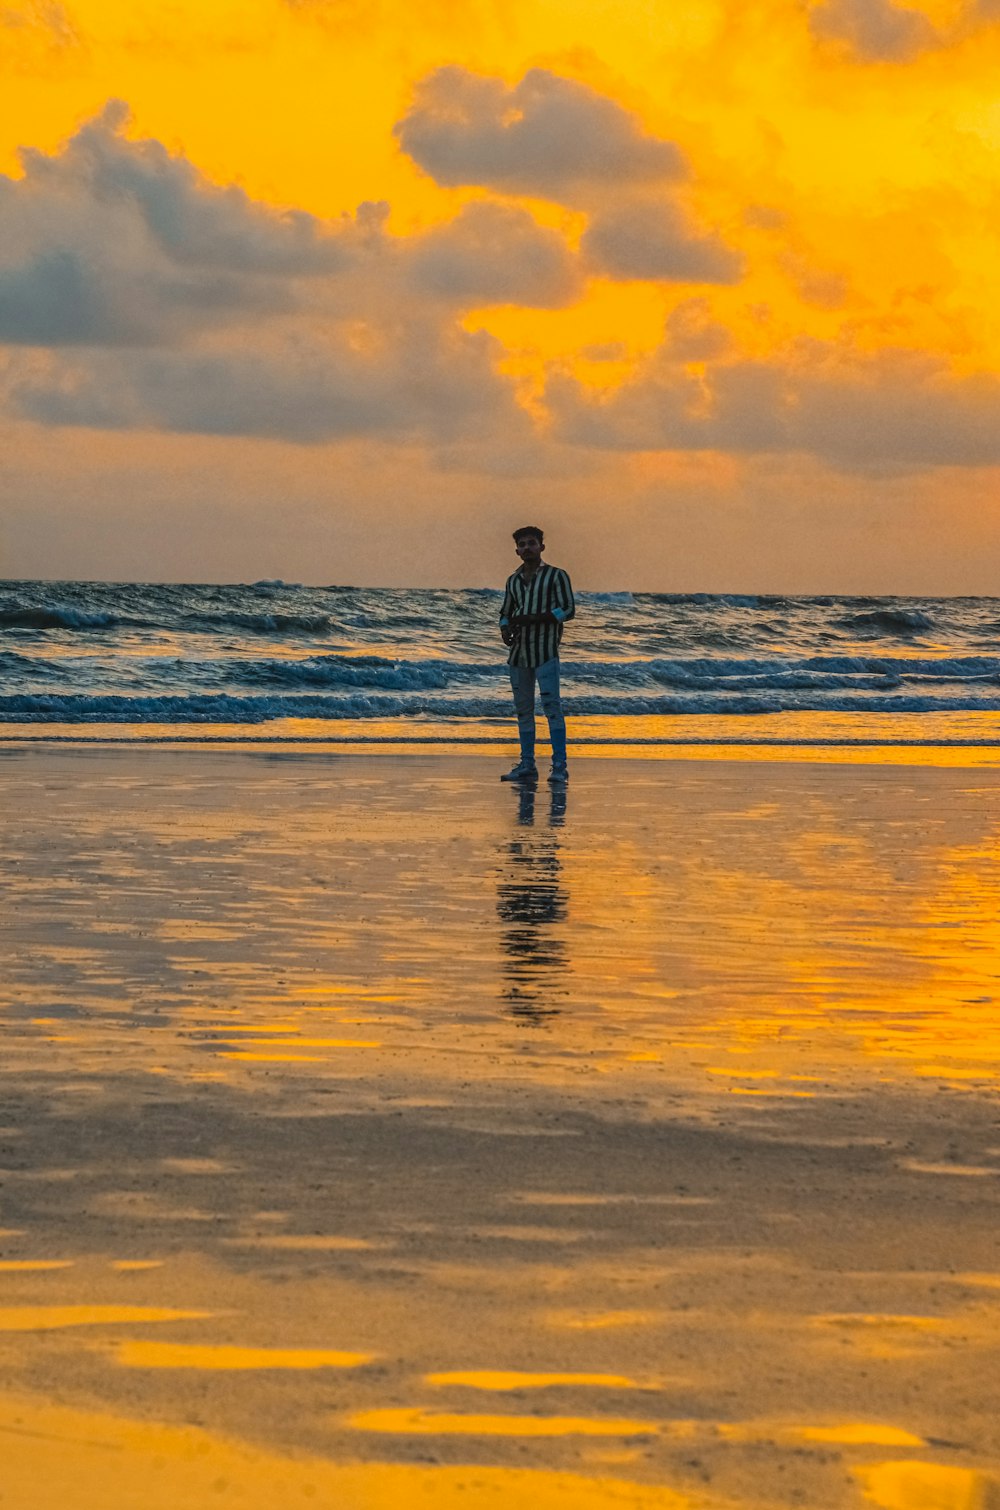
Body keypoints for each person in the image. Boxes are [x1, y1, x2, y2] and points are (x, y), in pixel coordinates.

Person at [498, 526, 575, 784]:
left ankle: (560, 766)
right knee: (523, 710)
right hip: (519, 652)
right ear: (517, 550)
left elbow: (568, 609)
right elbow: (505, 611)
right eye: (523, 544)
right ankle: (527, 764)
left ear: (542, 547)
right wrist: (505, 629)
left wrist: (538, 618)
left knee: (552, 707)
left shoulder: (556, 576)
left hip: (545, 650)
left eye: (532, 543)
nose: (527, 547)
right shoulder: (513, 581)